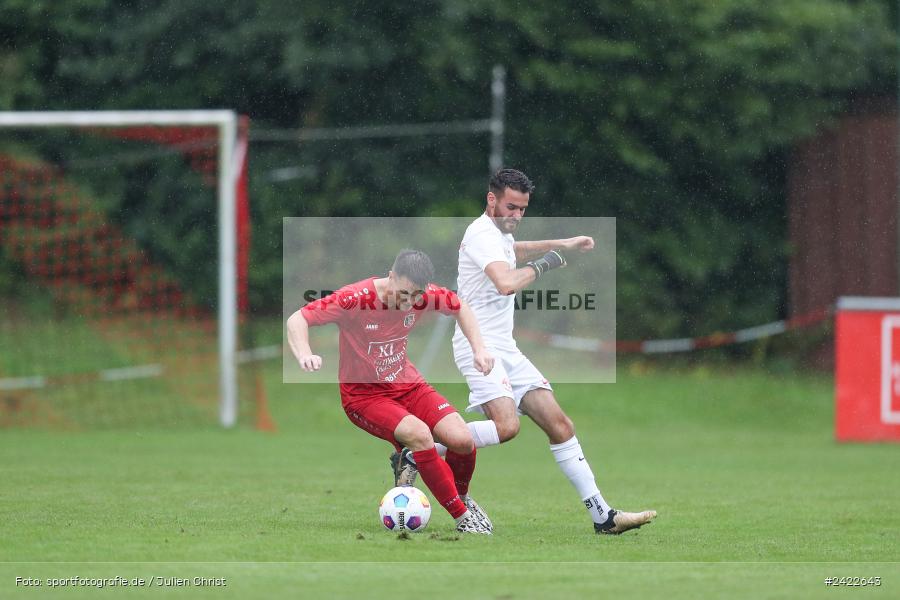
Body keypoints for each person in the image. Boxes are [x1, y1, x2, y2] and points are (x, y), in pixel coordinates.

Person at [394, 169, 656, 535]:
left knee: (560, 425)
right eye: (510, 208)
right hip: (479, 346)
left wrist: (561, 244)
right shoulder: (481, 233)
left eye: (522, 210)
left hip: (507, 349)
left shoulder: (498, 235)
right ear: (491, 200)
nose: (516, 216)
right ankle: (419, 454)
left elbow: (512, 251)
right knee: (506, 427)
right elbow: (504, 282)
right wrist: (546, 263)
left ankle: (603, 516)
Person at [286, 249, 495, 534]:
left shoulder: (424, 295)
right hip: (365, 397)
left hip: (408, 384)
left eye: (417, 296)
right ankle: (463, 518)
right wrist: (304, 353)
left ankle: (462, 497)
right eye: (404, 293)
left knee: (462, 440)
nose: (410, 302)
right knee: (420, 436)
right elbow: (298, 319)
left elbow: (460, 307)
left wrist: (479, 349)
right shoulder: (355, 298)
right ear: (391, 276)